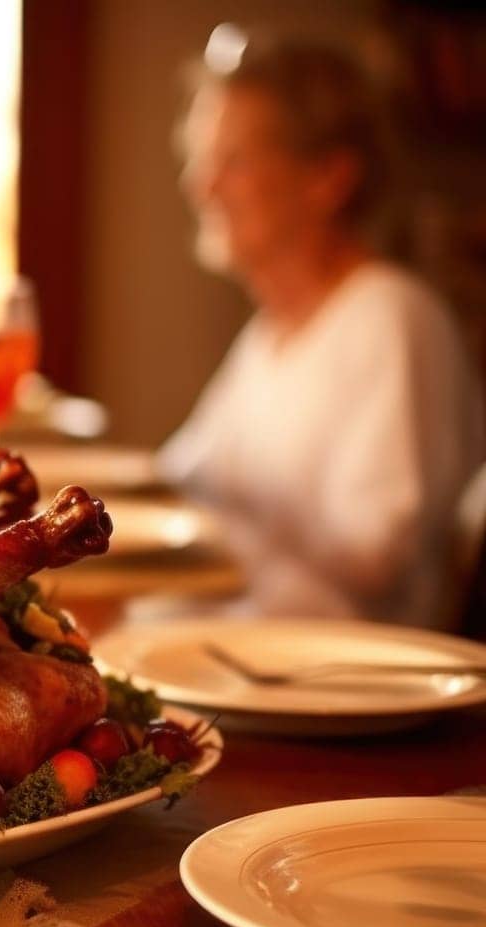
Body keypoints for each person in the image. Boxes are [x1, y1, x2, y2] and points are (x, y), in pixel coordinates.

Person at [160, 35, 485, 627]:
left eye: (234, 161)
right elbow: (183, 477)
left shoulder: (391, 320)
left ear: (330, 178)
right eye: (201, 158)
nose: (201, 186)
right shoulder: (271, 333)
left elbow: (375, 563)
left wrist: (213, 531)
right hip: (249, 649)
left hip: (342, 684)